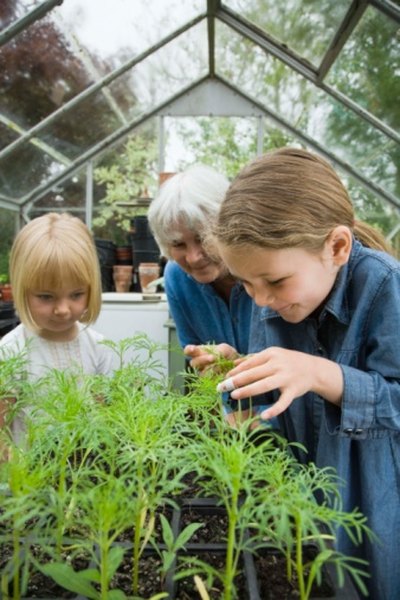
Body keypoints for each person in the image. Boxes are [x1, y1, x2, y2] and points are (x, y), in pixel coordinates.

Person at [213, 146, 400, 600]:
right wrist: (239, 390)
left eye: (274, 282)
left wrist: (319, 373)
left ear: (336, 247)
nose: (259, 300)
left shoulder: (384, 286)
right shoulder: (274, 296)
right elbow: (271, 389)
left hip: (374, 499)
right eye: (246, 284)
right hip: (300, 493)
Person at [148, 163, 270, 425]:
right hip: (235, 422)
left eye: (203, 238)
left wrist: (236, 363)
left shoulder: (265, 267)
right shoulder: (176, 278)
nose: (193, 257)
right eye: (178, 244)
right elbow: (202, 371)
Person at [0, 212, 113, 448]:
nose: (62, 309)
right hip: (29, 477)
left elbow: (105, 420)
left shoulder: (99, 347)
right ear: (22, 289)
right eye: (46, 296)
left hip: (86, 475)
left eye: (76, 294)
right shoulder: (10, 351)